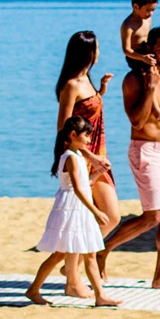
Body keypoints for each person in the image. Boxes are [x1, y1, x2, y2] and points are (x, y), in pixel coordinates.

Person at [101, 25, 160, 288]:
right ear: (150, 49)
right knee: (153, 215)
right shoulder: (134, 79)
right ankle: (102, 250)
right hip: (145, 150)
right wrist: (151, 89)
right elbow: (137, 121)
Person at [27, 116, 117, 308]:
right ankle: (33, 290)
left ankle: (100, 296)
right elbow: (77, 189)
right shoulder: (70, 157)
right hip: (72, 208)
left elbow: (85, 183)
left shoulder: (77, 156)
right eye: (86, 136)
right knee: (59, 254)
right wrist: (96, 211)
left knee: (90, 253)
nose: (89, 141)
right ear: (73, 134)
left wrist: (100, 171)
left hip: (79, 208)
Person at [55, 30, 122, 260]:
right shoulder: (71, 85)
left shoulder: (87, 80)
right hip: (82, 158)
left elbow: (87, 112)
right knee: (97, 217)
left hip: (98, 154)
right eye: (97, 48)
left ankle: (72, 266)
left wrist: (101, 91)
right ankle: (72, 267)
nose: (100, 52)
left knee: (109, 217)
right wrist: (89, 156)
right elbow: (63, 128)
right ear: (88, 53)